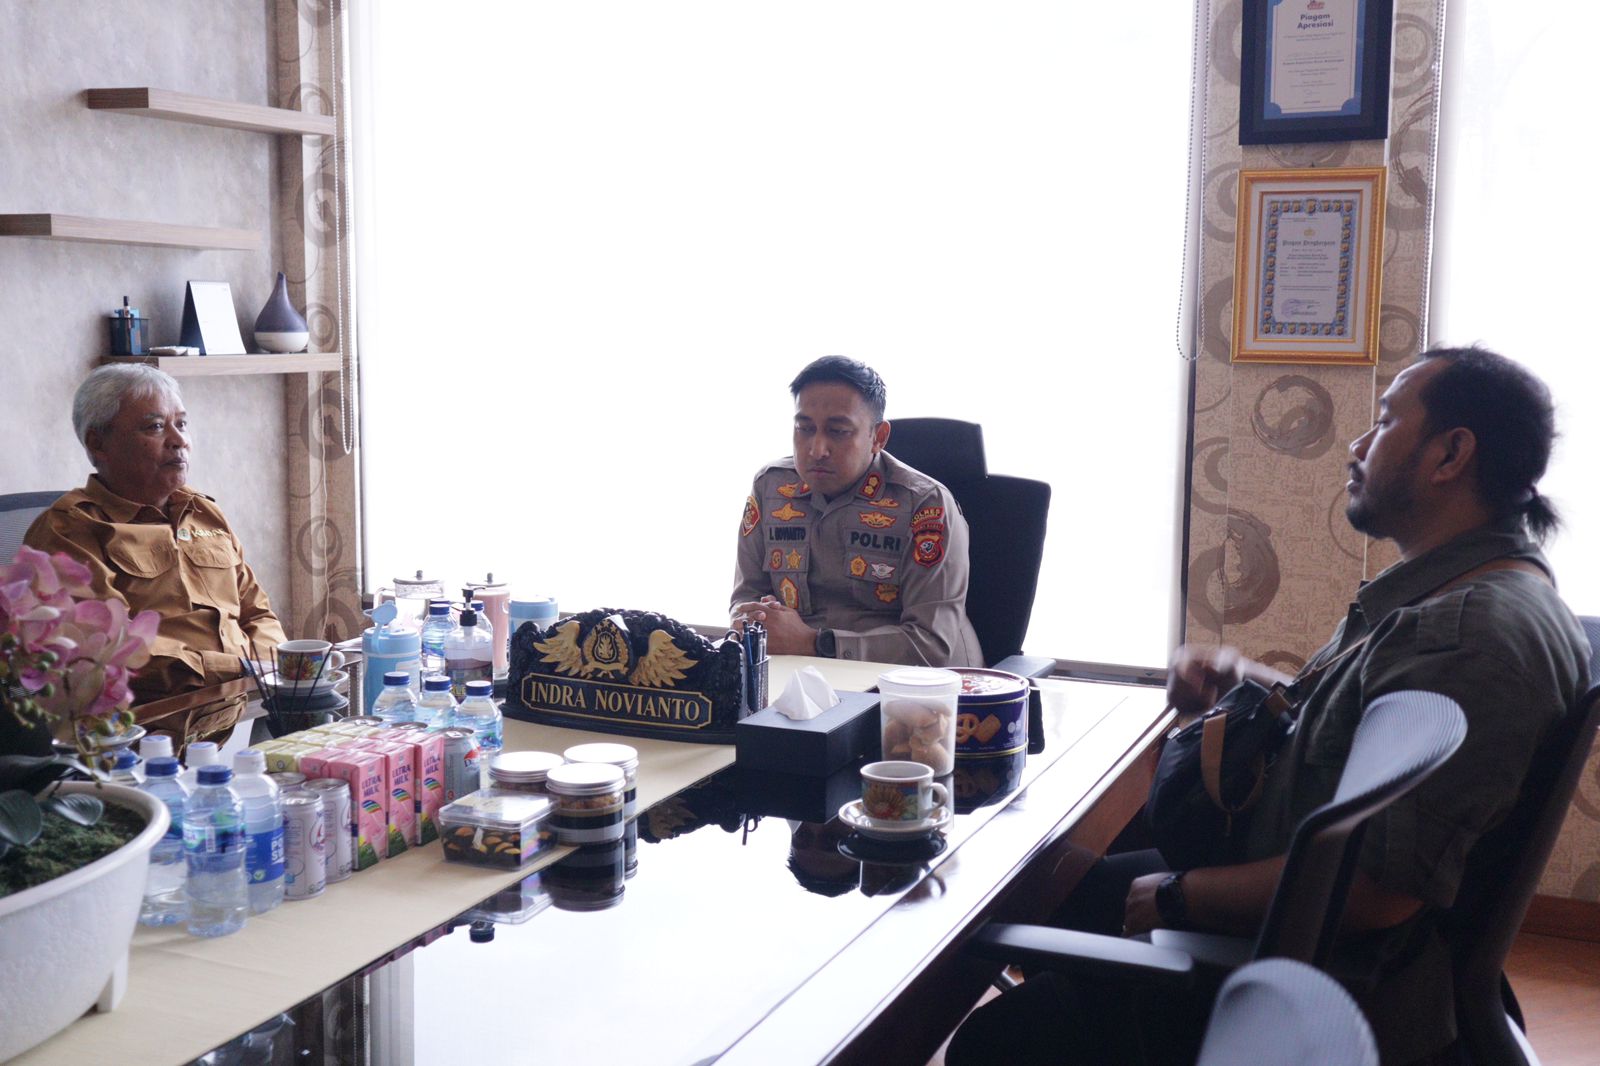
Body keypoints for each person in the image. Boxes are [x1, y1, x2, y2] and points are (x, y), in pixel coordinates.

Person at [948, 347, 1591, 1066]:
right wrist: (1245, 681)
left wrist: (1179, 897)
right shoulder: (1479, 592)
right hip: (1304, 905)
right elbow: (1366, 737)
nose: (1357, 446)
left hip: (1326, 975)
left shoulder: (1465, 640)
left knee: (993, 1042)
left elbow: (1379, 891)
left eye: (1384, 422)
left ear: (1450, 454)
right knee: (1061, 889)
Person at [25, 364, 288, 711]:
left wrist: (273, 669)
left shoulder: (203, 512)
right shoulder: (69, 530)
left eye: (181, 424)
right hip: (149, 724)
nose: (179, 441)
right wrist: (239, 669)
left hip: (244, 708)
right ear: (98, 443)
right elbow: (111, 647)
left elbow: (257, 613)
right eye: (155, 427)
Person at [730, 356, 983, 668]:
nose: (817, 449)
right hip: (802, 674)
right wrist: (753, 620)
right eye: (804, 428)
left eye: (838, 431)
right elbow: (745, 599)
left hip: (910, 684)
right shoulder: (771, 488)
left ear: (878, 437)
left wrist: (815, 643)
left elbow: (932, 645)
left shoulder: (925, 504)